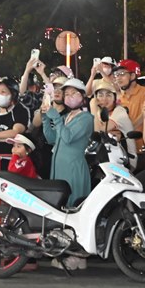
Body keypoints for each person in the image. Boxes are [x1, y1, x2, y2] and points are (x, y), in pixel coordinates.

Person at [42, 78, 94, 208]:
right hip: (59, 166)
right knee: (59, 204)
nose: (69, 96)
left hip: (73, 168)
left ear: (83, 96)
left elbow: (68, 137)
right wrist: (45, 119)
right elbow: (51, 138)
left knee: (72, 204)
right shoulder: (66, 117)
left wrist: (55, 117)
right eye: (66, 94)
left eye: (74, 93)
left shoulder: (86, 118)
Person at [92, 79, 137, 166]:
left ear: (114, 98)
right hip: (107, 156)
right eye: (100, 95)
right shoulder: (99, 113)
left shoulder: (119, 111)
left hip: (126, 160)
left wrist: (93, 106)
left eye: (108, 95)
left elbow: (98, 131)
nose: (104, 99)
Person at [115, 59, 145, 133]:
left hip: (142, 138)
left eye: (122, 73)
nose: (118, 78)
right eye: (117, 74)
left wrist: (128, 130)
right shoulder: (119, 97)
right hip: (124, 139)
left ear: (133, 76)